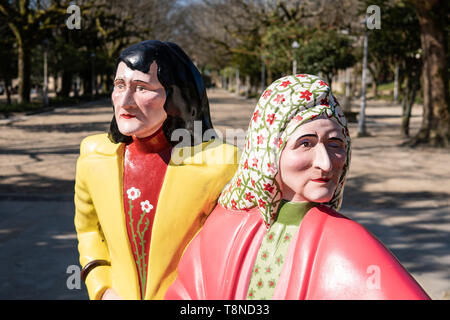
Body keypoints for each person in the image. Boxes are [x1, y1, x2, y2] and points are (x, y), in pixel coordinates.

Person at [165, 74, 430, 300]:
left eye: (336, 144)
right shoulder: (224, 223)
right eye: (306, 143)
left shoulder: (346, 239)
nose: (326, 164)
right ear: (269, 149)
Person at [74, 40, 239, 300]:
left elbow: (226, 251)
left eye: (142, 88)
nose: (125, 101)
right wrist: (102, 289)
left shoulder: (221, 164)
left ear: (174, 96)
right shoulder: (93, 156)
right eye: (119, 86)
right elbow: (88, 231)